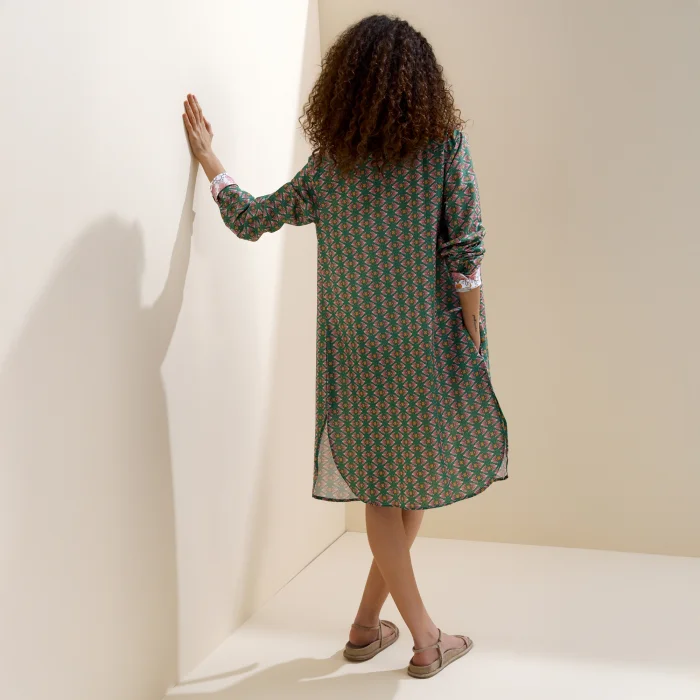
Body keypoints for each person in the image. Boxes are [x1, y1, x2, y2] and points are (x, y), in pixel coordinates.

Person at [183, 12, 508, 680]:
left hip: (355, 348)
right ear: (420, 82)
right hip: (425, 339)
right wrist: (474, 340)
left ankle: (365, 627)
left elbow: (251, 217)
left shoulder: (333, 165)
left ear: (344, 85)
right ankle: (426, 639)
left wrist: (211, 160)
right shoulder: (442, 147)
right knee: (404, 486)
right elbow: (467, 252)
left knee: (390, 489)